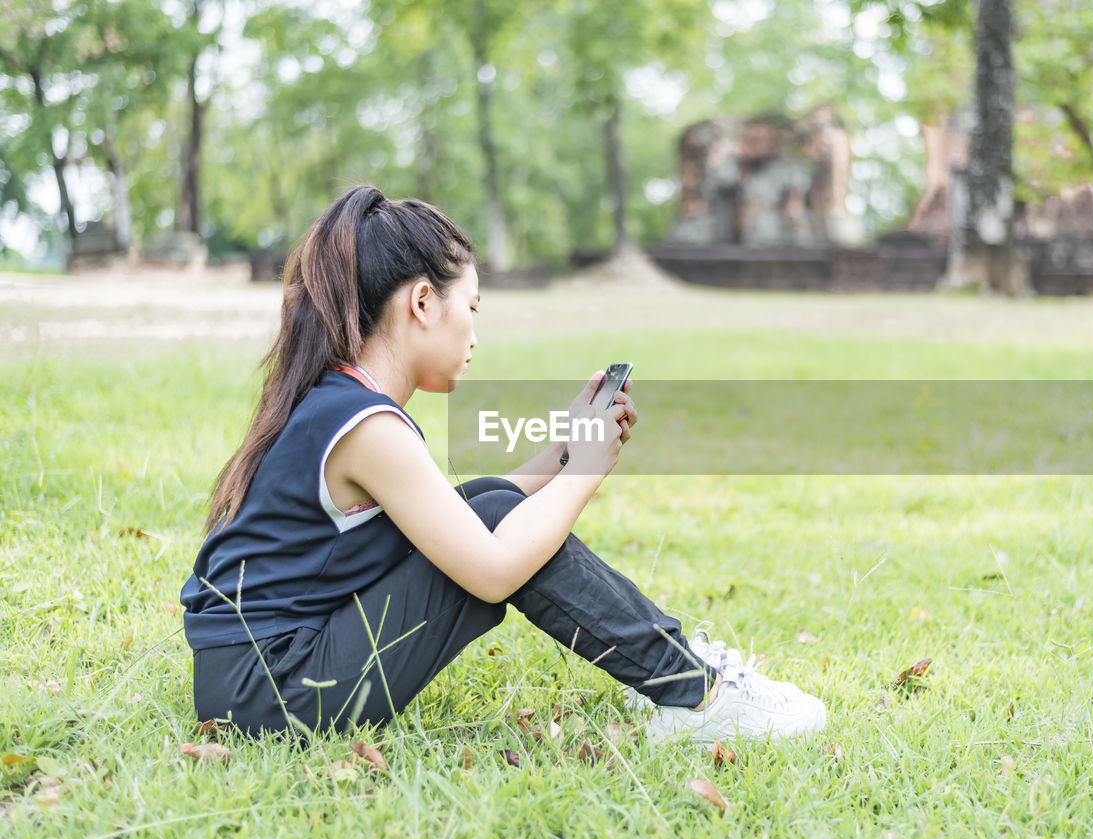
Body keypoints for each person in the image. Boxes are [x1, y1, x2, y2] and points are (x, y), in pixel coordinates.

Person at [179, 185, 826, 742]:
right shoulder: (367, 426)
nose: (476, 335)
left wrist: (566, 450)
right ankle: (699, 694)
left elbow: (466, 516)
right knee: (492, 520)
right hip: (276, 697)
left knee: (486, 500)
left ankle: (678, 677)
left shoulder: (341, 403)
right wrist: (585, 472)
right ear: (424, 303)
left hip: (254, 682)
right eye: (472, 309)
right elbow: (489, 572)